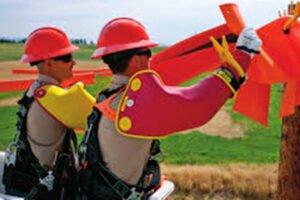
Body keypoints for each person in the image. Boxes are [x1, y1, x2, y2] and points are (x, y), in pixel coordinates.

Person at [78, 17, 262, 200]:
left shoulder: (108, 97)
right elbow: (197, 105)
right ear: (135, 60)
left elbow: (171, 96)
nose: (151, 57)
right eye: (147, 52)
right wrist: (242, 57)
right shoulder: (135, 103)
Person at [2, 27, 95, 199]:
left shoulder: (34, 89)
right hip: (49, 192)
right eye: (67, 57)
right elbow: (106, 121)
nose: (73, 62)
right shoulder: (56, 97)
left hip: (27, 184)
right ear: (49, 63)